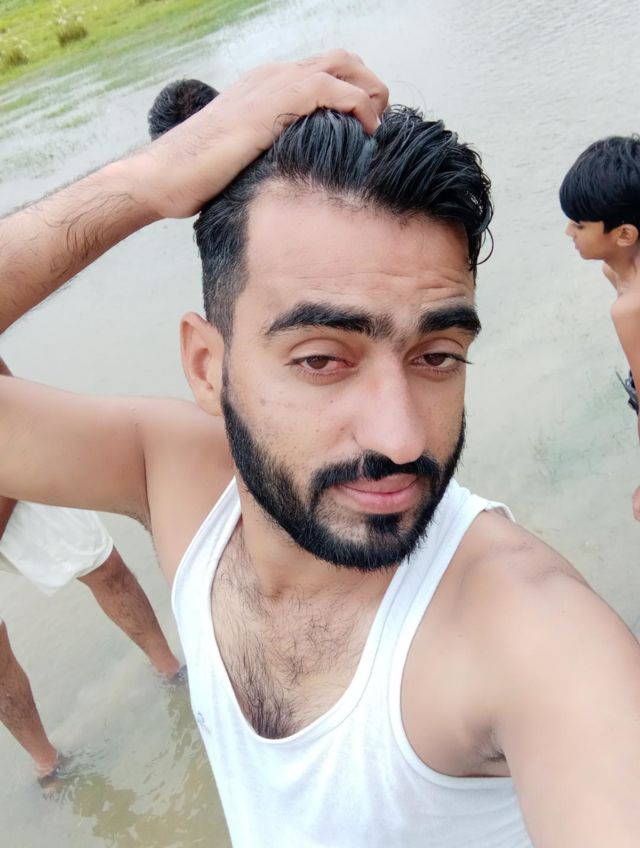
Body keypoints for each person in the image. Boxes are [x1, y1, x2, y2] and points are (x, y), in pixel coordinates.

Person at [0, 50, 639, 846]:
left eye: (437, 356)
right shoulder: (175, 480)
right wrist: (146, 183)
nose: (401, 439)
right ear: (206, 366)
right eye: (322, 360)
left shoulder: (533, 634)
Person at [0, 359, 181, 779]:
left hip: (6, 463)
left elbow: (10, 396)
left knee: (104, 568)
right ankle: (47, 764)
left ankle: (170, 669)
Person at [560, 135, 640, 518]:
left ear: (624, 234)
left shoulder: (630, 308)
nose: (569, 232)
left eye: (579, 224)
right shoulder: (616, 270)